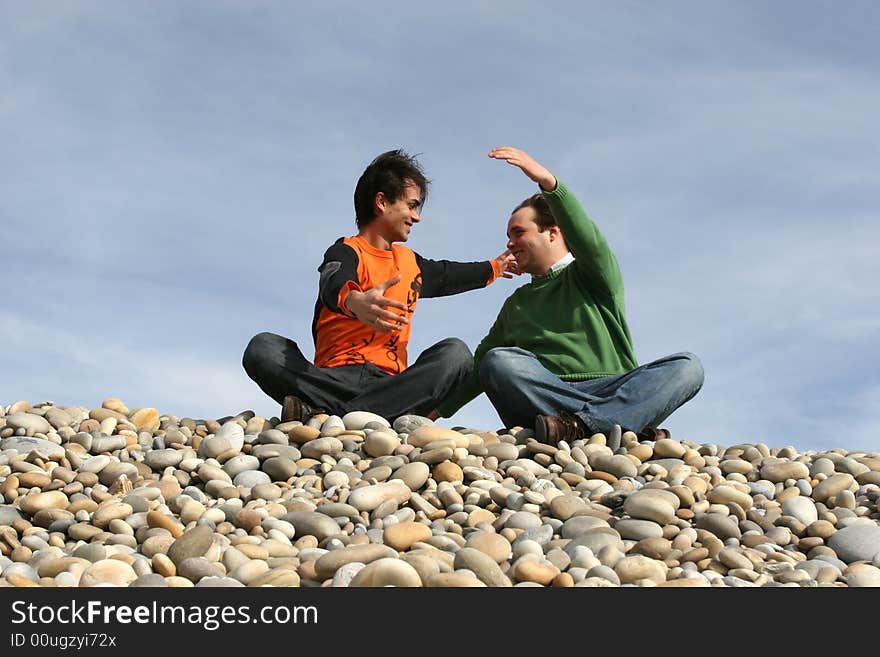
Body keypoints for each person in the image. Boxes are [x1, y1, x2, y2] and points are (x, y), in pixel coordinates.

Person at [435, 146, 704, 447]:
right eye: (508, 236)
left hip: (610, 389)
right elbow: (480, 367)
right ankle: (620, 425)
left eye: (518, 232)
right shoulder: (517, 304)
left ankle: (583, 425)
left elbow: (587, 238)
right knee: (499, 361)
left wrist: (550, 184)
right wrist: (431, 414)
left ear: (553, 232)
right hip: (547, 396)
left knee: (688, 366)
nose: (509, 243)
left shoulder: (593, 275)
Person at [242, 149, 515, 423]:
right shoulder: (347, 251)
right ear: (382, 202)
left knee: (457, 355)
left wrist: (495, 267)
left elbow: (448, 275)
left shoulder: (410, 264)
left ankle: (328, 415)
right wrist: (355, 301)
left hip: (393, 384)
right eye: (411, 205)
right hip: (331, 378)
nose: (416, 217)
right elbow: (332, 280)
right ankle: (374, 416)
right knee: (263, 347)